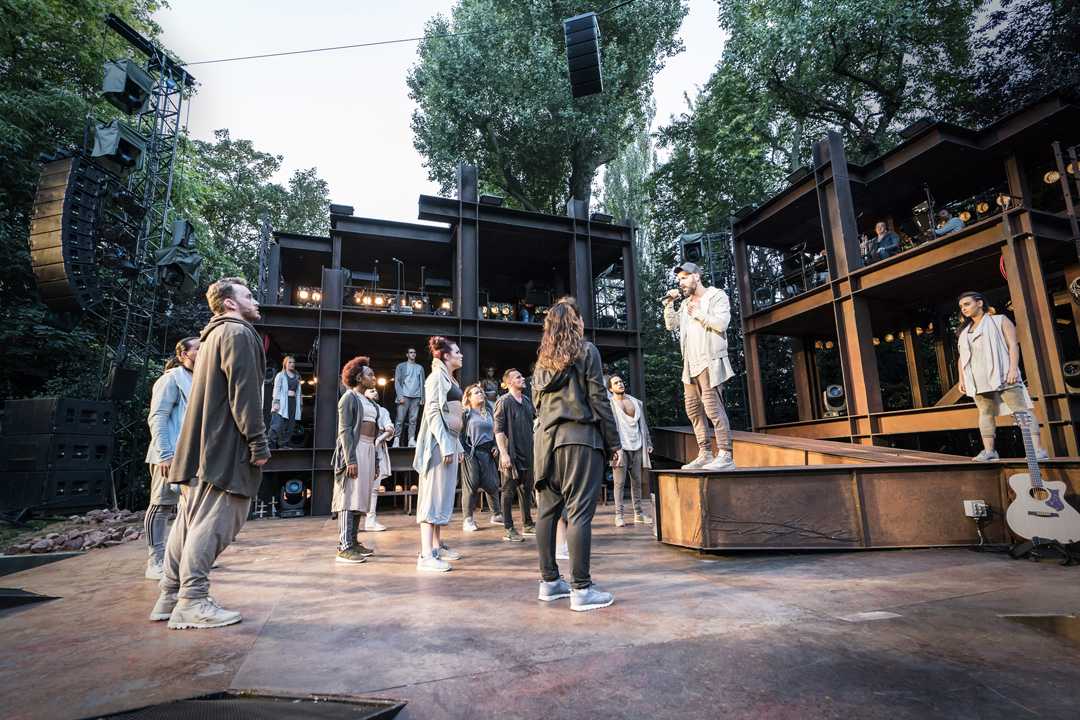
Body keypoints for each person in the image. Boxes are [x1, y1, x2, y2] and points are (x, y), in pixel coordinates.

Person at [150, 277, 269, 630]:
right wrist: (258, 443)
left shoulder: (210, 336)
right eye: (248, 296)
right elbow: (244, 393)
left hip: (199, 449)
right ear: (230, 303)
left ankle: (170, 595)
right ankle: (193, 601)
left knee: (188, 521)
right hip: (223, 449)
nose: (255, 301)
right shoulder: (238, 333)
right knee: (215, 521)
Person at [532, 297, 621, 612]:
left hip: (545, 442)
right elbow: (599, 398)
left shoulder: (542, 363)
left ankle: (549, 582)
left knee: (547, 512)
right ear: (576, 323)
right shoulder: (587, 351)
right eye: (581, 318)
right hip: (580, 439)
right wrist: (615, 443)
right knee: (579, 513)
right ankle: (581, 589)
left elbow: (537, 405)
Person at [956, 291, 1048, 462]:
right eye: (961, 306)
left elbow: (1013, 345)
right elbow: (962, 357)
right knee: (985, 413)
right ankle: (990, 451)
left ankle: (1038, 449)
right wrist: (962, 379)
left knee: (1021, 410)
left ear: (980, 303)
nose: (964, 309)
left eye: (967, 304)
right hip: (977, 380)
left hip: (1004, 375)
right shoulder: (964, 332)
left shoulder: (1000, 320)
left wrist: (1013, 369)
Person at [663, 261, 736, 471]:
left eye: (684, 278)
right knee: (693, 410)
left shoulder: (716, 295)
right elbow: (671, 325)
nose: (681, 283)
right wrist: (669, 304)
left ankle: (725, 454)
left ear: (696, 276)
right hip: (690, 364)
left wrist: (699, 313)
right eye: (679, 280)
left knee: (713, 408)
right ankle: (704, 453)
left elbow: (722, 323)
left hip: (709, 361)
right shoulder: (685, 304)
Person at [143, 336, 199, 580]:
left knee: (190, 509)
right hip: (169, 455)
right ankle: (155, 560)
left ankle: (183, 559)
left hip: (192, 456)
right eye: (197, 347)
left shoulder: (202, 379)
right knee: (161, 505)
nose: (203, 349)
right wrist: (165, 454)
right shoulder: (170, 379)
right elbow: (158, 417)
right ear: (183, 354)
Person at [412, 336, 465, 572]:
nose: (461, 355)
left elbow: (454, 417)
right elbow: (433, 412)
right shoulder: (435, 378)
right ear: (446, 356)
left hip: (450, 442)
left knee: (442, 497)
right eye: (457, 352)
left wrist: (457, 445)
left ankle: (435, 547)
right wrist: (444, 444)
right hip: (436, 445)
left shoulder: (449, 379)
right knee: (431, 498)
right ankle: (425, 555)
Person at [331, 356, 380, 563]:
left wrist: (375, 460)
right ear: (359, 378)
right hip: (354, 449)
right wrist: (350, 459)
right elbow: (344, 431)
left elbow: (375, 432)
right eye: (370, 375)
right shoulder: (348, 398)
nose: (374, 377)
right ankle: (344, 546)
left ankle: (353, 541)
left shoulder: (367, 401)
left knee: (361, 497)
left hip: (368, 448)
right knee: (349, 496)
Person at [494, 368, 536, 542]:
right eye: (518, 377)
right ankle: (509, 528)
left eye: (521, 376)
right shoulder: (503, 401)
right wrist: (504, 454)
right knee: (508, 491)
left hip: (528, 453)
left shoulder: (526, 401)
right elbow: (498, 430)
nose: (522, 379)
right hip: (511, 454)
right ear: (510, 382)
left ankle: (527, 524)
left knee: (526, 491)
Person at [607, 374, 653, 527]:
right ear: (610, 388)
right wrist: (612, 448)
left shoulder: (635, 402)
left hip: (637, 445)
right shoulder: (610, 405)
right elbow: (607, 428)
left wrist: (648, 442)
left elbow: (643, 424)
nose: (620, 384)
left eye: (620, 381)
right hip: (619, 448)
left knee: (637, 482)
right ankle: (618, 515)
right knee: (619, 483)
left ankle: (638, 514)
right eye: (616, 383)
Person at [461, 383, 503, 532]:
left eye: (481, 392)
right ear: (469, 397)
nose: (481, 394)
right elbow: (460, 434)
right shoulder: (466, 413)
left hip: (487, 451)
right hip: (471, 451)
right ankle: (468, 519)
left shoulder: (489, 411)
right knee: (471, 485)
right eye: (476, 392)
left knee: (492, 483)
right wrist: (462, 450)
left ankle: (497, 514)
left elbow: (495, 431)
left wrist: (495, 445)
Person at [363, 387, 393, 532]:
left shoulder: (382, 411)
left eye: (375, 390)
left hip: (377, 450)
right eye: (370, 390)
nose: (374, 391)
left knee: (374, 487)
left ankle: (371, 519)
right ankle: (353, 521)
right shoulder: (358, 406)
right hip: (361, 449)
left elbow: (390, 429)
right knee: (358, 486)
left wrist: (379, 439)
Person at [393, 348, 425, 447]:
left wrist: (422, 398)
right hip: (404, 396)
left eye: (414, 352)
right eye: (411, 352)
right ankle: (396, 439)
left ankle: (411, 439)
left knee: (413, 420)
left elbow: (422, 383)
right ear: (407, 355)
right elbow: (397, 381)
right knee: (400, 419)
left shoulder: (420, 367)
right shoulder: (401, 366)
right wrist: (400, 396)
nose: (413, 354)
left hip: (416, 397)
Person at [269, 356, 302, 449]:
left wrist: (300, 404)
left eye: (293, 363)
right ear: (285, 364)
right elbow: (276, 389)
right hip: (282, 402)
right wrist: (276, 401)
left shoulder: (297, 376)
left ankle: (283, 444)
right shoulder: (280, 375)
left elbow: (299, 392)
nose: (292, 364)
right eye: (290, 362)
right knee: (278, 424)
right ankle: (270, 444)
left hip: (293, 402)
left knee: (290, 425)